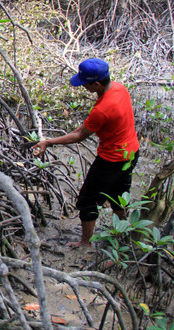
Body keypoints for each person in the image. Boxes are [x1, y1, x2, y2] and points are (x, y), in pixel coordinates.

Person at [32, 58, 140, 248]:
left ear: (96, 84)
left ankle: (85, 243)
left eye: (85, 84)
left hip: (111, 160)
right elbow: (86, 126)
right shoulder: (119, 89)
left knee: (87, 200)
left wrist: (48, 142)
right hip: (131, 153)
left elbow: (80, 135)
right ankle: (120, 235)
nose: (83, 87)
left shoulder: (103, 110)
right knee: (119, 195)